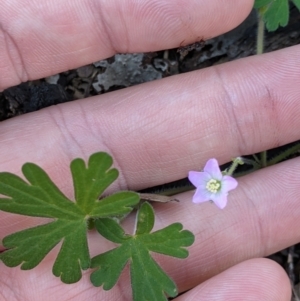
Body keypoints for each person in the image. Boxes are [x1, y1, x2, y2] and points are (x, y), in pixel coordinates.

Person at [0, 0, 297, 300]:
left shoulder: (215, 182)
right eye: (214, 183)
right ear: (214, 179)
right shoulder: (207, 181)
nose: (213, 184)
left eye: (215, 184)